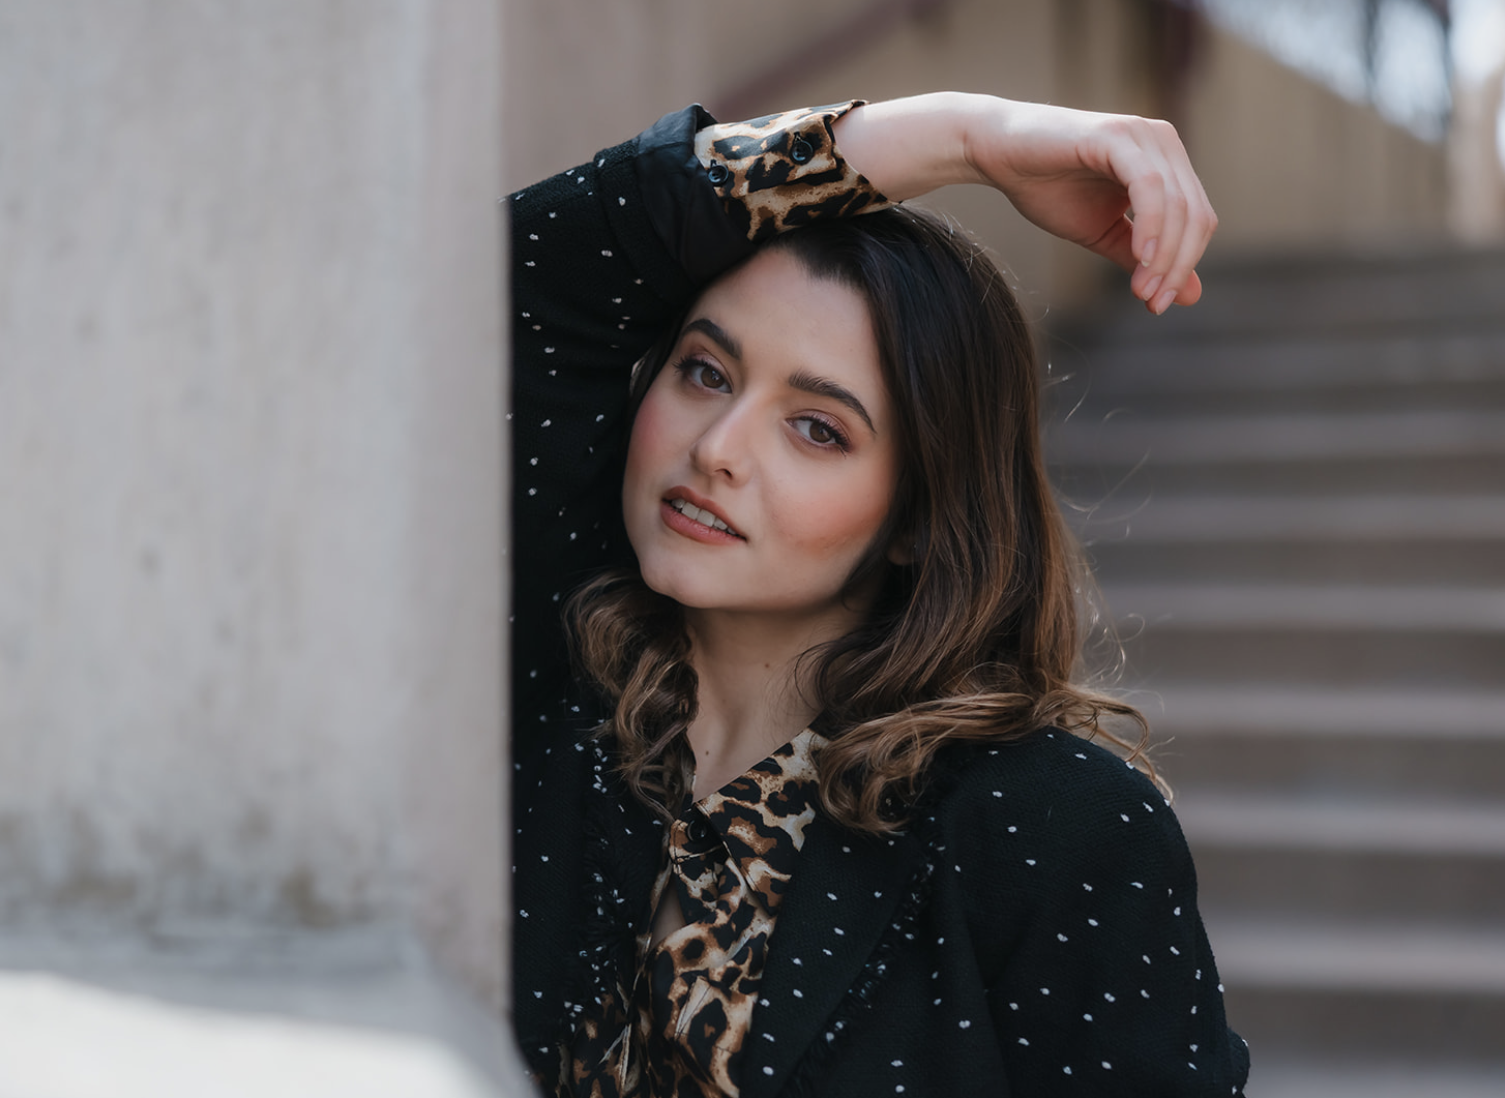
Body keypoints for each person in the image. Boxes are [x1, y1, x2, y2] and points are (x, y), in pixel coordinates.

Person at [507, 92, 1247, 1097]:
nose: (716, 450)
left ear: (915, 516)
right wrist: (960, 139)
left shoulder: (1053, 827)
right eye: (704, 371)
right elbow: (537, 266)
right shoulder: (552, 698)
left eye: (817, 429)